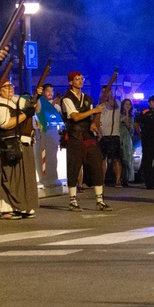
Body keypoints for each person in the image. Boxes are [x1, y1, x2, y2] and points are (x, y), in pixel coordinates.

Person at [0, 79, 40, 219]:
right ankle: (6, 209)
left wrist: (37, 97)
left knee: (23, 177)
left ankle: (22, 206)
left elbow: (35, 107)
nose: (10, 89)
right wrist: (25, 115)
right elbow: (6, 124)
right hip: (7, 145)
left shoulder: (16, 100)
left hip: (20, 143)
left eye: (11, 86)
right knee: (8, 178)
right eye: (6, 87)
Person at [60, 72, 111, 211]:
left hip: (88, 136)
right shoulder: (66, 98)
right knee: (74, 167)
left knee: (96, 163)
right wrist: (93, 110)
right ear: (71, 82)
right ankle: (72, 200)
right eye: (77, 79)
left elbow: (89, 120)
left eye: (81, 79)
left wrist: (94, 124)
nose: (80, 81)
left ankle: (100, 200)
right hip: (74, 136)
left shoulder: (87, 98)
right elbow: (75, 117)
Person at [97, 86, 125, 187]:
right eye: (103, 92)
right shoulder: (100, 104)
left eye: (107, 91)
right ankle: (102, 180)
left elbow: (114, 106)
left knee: (116, 159)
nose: (105, 93)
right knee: (102, 159)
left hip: (114, 135)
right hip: (103, 135)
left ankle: (118, 181)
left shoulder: (116, 102)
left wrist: (109, 97)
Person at [136, 95, 154, 189]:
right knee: (148, 161)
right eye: (153, 102)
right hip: (148, 140)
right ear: (149, 103)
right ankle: (149, 183)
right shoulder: (145, 112)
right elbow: (136, 123)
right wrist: (140, 134)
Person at [119, 98, 136, 185]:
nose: (128, 106)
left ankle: (126, 179)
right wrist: (125, 114)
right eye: (126, 104)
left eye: (129, 104)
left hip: (127, 138)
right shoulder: (119, 114)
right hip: (119, 137)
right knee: (120, 159)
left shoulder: (131, 117)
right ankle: (119, 178)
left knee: (127, 159)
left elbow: (131, 129)